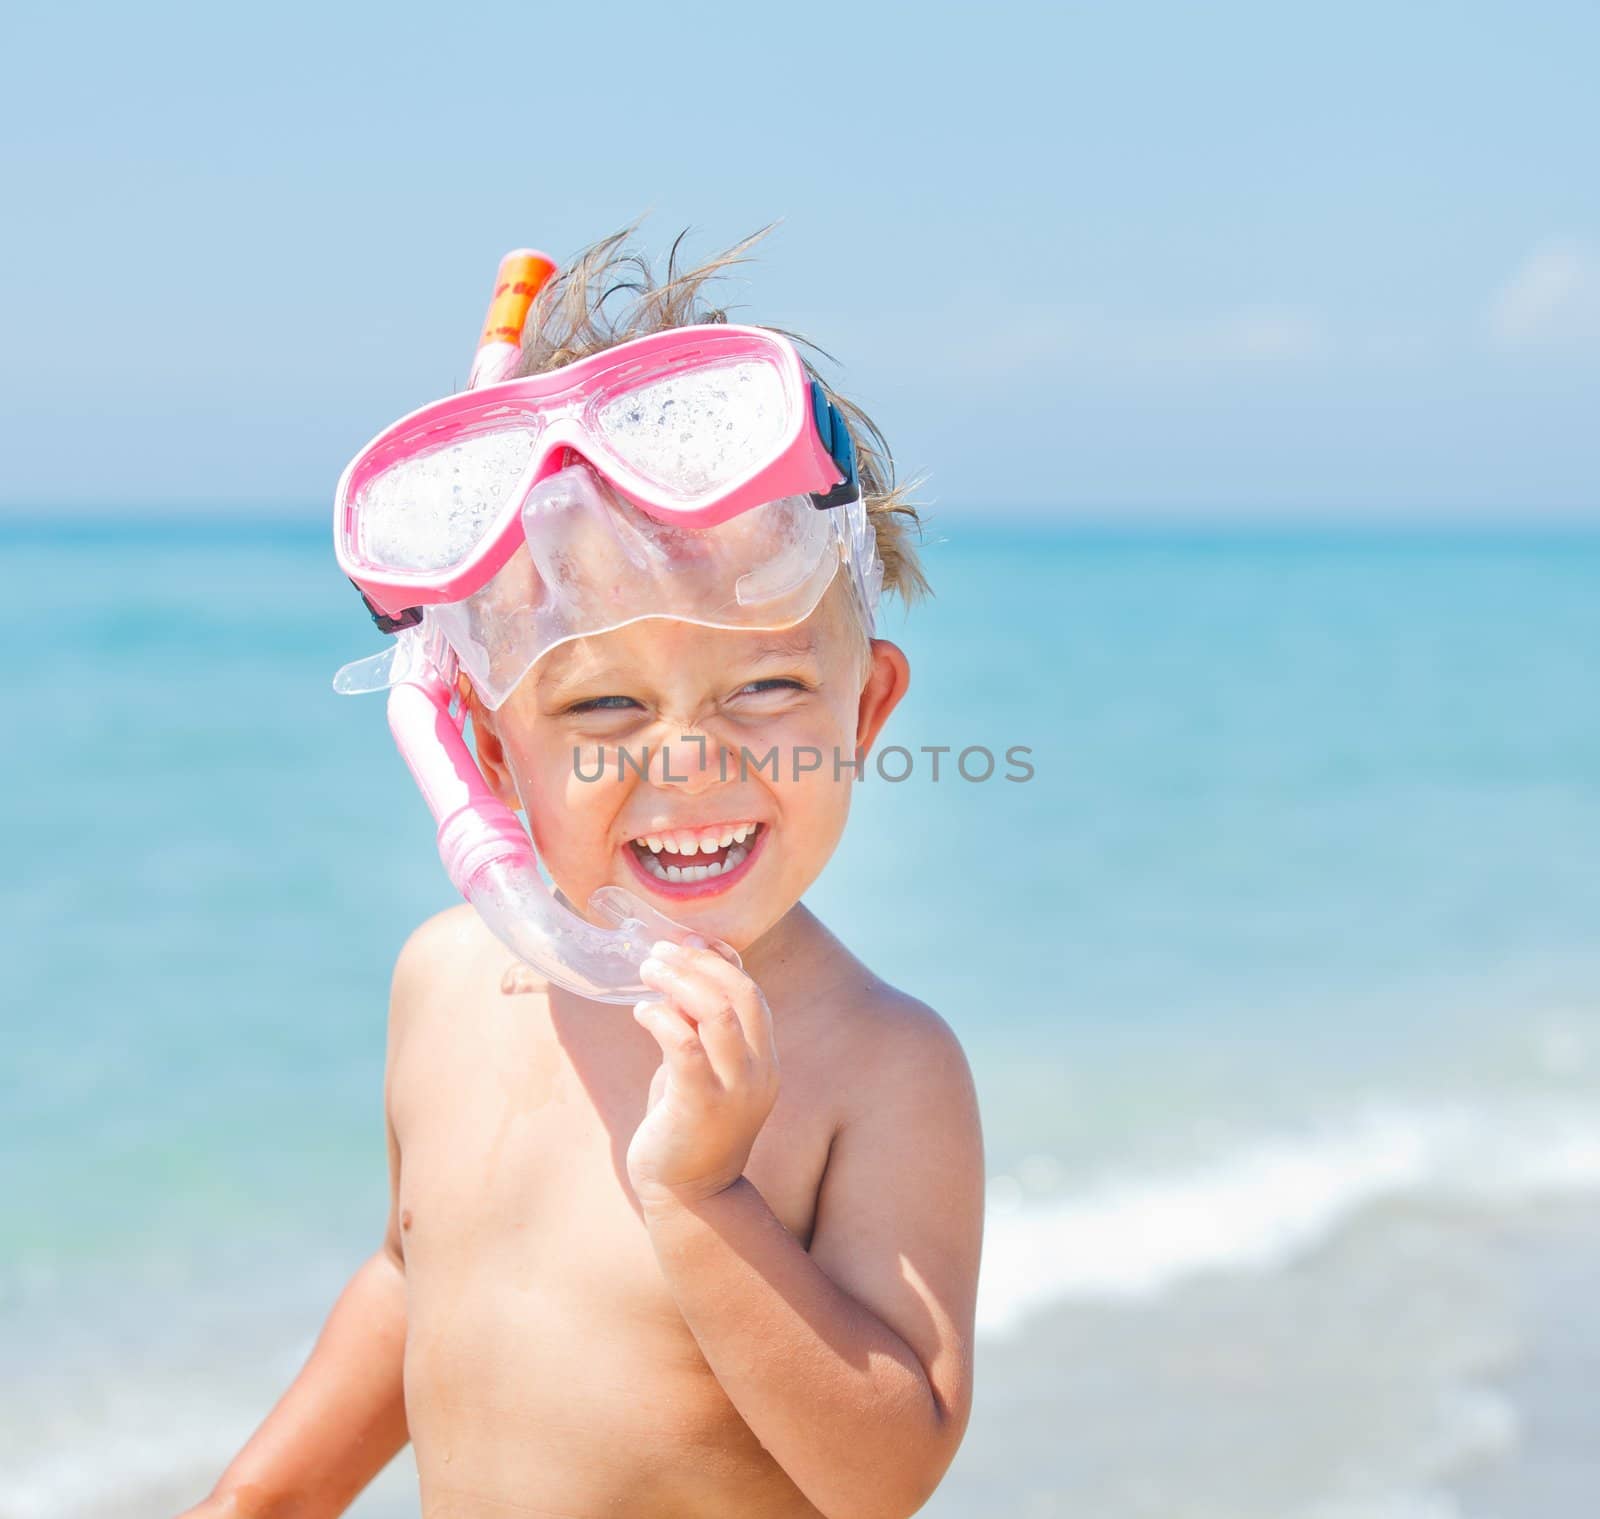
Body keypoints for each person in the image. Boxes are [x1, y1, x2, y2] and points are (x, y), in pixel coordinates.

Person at [182, 229, 985, 1519]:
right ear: (492, 753)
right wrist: (253, 1500)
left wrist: (701, 1194)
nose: (689, 759)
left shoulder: (880, 1065)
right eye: (604, 705)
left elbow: (889, 1471)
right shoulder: (443, 980)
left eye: (768, 686)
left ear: (869, 710)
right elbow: (415, 1278)